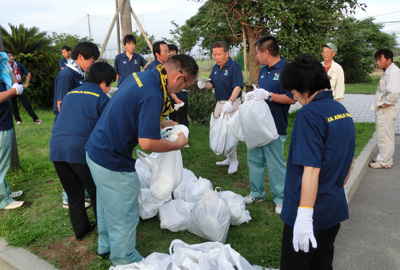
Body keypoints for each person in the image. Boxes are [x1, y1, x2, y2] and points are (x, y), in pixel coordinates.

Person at [85, 54, 198, 266]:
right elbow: (146, 143)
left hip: (95, 150)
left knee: (106, 203)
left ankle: (106, 245)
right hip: (112, 160)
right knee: (124, 213)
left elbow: (134, 111)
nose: (180, 91)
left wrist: (162, 124)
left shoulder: (141, 77)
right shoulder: (155, 93)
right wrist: (177, 145)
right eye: (185, 85)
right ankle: (124, 259)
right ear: (179, 76)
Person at [279, 54, 355, 270]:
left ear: (303, 87)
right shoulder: (342, 112)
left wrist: (304, 215)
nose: (293, 95)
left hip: (309, 214)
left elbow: (311, 169)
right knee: (322, 264)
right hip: (332, 210)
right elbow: (348, 159)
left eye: (293, 91)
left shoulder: (309, 115)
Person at [49, 61, 116, 240]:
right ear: (104, 82)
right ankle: (106, 233)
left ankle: (81, 230)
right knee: (96, 192)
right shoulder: (101, 98)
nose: (109, 89)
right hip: (79, 151)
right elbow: (107, 130)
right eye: (110, 84)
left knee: (73, 193)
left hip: (57, 149)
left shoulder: (70, 93)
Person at [244, 36, 295, 214]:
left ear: (266, 52)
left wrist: (268, 96)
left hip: (275, 126)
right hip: (258, 126)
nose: (256, 56)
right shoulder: (264, 70)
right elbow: (262, 92)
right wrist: (255, 95)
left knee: (275, 164)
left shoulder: (287, 69)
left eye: (257, 52)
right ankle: (256, 193)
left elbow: (292, 98)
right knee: (255, 160)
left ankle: (280, 198)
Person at [53, 41, 99, 208]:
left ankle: (83, 192)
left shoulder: (79, 73)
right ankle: (68, 196)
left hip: (78, 126)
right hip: (68, 127)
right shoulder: (67, 75)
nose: (92, 64)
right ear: (80, 57)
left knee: (80, 160)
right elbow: (61, 103)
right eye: (92, 60)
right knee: (70, 161)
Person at [197, 41, 243, 174]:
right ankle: (229, 158)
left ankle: (234, 161)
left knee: (230, 132)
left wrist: (230, 101)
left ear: (227, 53)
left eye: (219, 54)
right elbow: (211, 85)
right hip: (219, 103)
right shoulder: (216, 68)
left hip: (232, 103)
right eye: (214, 54)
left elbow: (238, 86)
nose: (216, 57)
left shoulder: (234, 67)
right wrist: (203, 85)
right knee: (220, 130)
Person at [0, 52, 25, 210]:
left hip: (4, 122)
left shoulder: (2, 71)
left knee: (2, 162)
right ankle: (3, 201)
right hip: (0, 125)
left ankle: (6, 192)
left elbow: (16, 82)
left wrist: (8, 68)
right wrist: (14, 92)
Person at [369, 48, 400, 169]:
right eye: (376, 60)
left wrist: (386, 103)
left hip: (387, 109)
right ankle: (384, 157)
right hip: (384, 109)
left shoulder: (393, 72)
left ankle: (385, 161)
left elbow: (395, 91)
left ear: (389, 59)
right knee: (382, 134)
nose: (377, 62)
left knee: (385, 135)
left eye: (380, 59)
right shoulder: (388, 71)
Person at [6, 50, 43, 126]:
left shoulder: (18, 64)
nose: (11, 57)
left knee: (26, 104)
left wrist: (26, 84)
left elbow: (28, 74)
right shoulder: (4, 66)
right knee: (13, 105)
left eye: (12, 55)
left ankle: (35, 119)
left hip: (19, 87)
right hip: (10, 88)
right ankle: (18, 120)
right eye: (9, 56)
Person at [167, 44, 189, 147]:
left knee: (183, 119)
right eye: (169, 53)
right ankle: (171, 138)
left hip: (182, 97)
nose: (171, 56)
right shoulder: (167, 68)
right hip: (170, 98)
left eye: (173, 54)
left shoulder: (182, 67)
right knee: (171, 120)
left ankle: (185, 139)